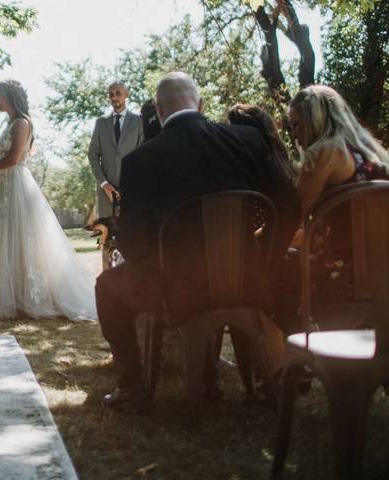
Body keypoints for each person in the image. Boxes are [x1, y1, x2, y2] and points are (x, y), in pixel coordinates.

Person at [97, 73, 299, 411]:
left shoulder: (139, 162)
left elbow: (131, 245)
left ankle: (132, 387)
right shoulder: (247, 140)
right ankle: (272, 379)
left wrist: (159, 265)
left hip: (177, 288)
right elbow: (290, 204)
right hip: (246, 278)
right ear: (201, 104)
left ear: (159, 112)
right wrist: (265, 258)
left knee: (107, 287)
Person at [0, 80, 98, 321]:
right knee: (3, 236)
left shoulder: (22, 124)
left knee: (21, 236)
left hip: (15, 183)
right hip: (3, 186)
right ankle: (10, 297)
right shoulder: (10, 123)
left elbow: (13, 159)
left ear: (9, 97)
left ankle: (28, 297)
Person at [284, 85, 389, 311]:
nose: (295, 135)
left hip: (344, 275)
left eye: (297, 125)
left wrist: (252, 240)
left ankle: (286, 342)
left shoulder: (325, 151)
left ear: (314, 119)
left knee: (266, 271)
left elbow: (291, 219)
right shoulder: (368, 155)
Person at [88, 81, 144, 219]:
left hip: (132, 192)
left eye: (118, 93)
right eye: (111, 94)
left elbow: (142, 156)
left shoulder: (139, 122)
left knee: (132, 236)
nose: (114, 97)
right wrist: (104, 184)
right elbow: (93, 155)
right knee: (108, 237)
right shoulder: (100, 123)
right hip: (106, 195)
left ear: (126, 94)